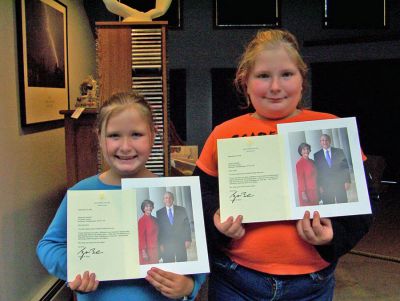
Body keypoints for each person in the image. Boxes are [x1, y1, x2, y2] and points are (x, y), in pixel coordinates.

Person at [193, 29, 372, 300]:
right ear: (245, 82)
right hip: (235, 278)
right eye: (263, 76)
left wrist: (333, 235)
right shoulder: (224, 133)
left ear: (302, 79)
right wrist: (215, 221)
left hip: (311, 283)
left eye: (287, 74)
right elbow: (199, 196)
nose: (275, 87)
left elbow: (363, 204)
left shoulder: (330, 129)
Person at [37, 91, 205, 301]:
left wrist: (190, 286)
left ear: (154, 134)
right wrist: (76, 268)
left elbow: (198, 260)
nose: (125, 147)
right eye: (114, 135)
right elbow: (49, 245)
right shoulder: (82, 192)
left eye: (136, 134)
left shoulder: (168, 191)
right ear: (98, 136)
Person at [314, 134, 351, 204]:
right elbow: (318, 172)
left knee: (343, 203)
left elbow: (345, 167)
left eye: (326, 140)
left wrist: (347, 181)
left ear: (330, 141)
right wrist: (319, 186)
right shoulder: (317, 155)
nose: (324, 142)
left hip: (339, 183)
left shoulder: (339, 151)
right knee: (328, 204)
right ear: (320, 142)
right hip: (326, 186)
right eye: (322, 140)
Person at [156, 191, 192, 263]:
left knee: (182, 261)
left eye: (170, 198)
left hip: (180, 242)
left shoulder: (181, 209)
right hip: (167, 243)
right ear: (163, 200)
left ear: (173, 199)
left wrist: (188, 239)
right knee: (168, 262)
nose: (168, 200)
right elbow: (159, 230)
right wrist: (160, 244)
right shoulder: (159, 212)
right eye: (166, 198)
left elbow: (186, 225)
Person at [138, 199, 159, 264]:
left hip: (155, 249)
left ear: (152, 208)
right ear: (143, 208)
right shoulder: (141, 220)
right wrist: (144, 252)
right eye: (146, 206)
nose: (149, 208)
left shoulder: (155, 219)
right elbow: (141, 238)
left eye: (150, 206)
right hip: (147, 251)